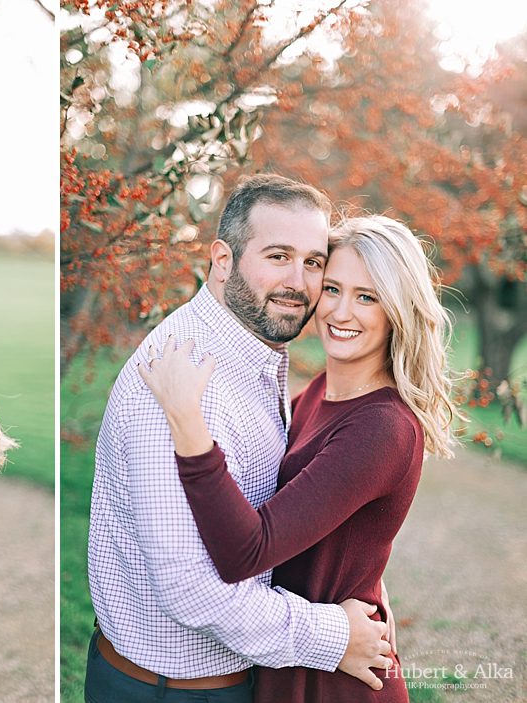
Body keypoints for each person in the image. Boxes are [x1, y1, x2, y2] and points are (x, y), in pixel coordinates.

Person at [85, 175, 394, 703]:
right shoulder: (182, 378)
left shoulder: (252, 355)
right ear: (223, 260)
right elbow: (192, 591)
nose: (299, 282)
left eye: (314, 262)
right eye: (278, 256)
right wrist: (337, 634)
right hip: (172, 691)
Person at [139, 215, 457, 702]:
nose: (340, 312)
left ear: (398, 310)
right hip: (297, 657)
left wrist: (188, 423)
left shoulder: (383, 427)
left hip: (334, 682)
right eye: (331, 288)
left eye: (367, 297)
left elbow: (245, 551)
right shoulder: (318, 393)